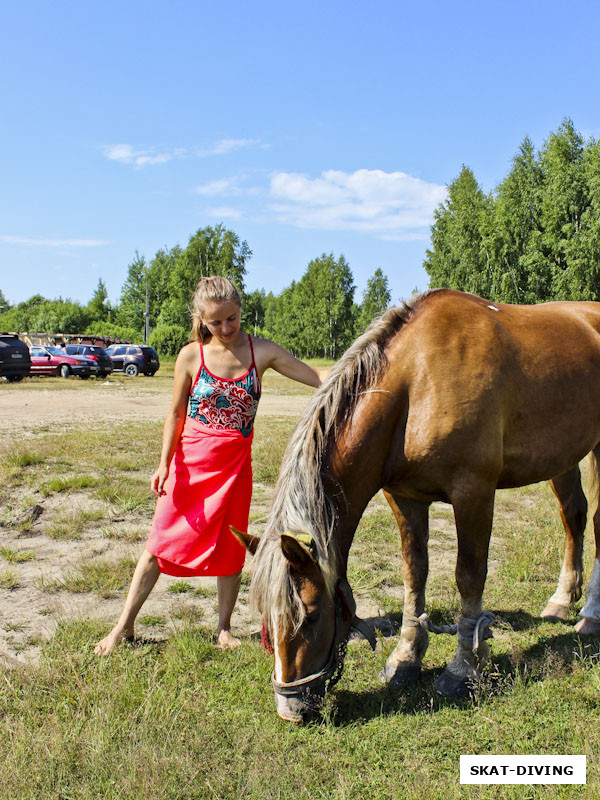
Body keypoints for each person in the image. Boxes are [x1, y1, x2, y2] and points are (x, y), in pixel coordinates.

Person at [94, 276, 321, 655]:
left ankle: (223, 628)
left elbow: (314, 376)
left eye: (231, 318)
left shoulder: (260, 351)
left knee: (231, 551)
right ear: (201, 319)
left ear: (240, 310)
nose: (226, 328)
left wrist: (355, 376)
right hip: (189, 467)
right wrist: (163, 463)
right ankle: (124, 626)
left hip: (235, 471)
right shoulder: (190, 356)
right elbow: (176, 413)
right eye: (216, 323)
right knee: (159, 545)